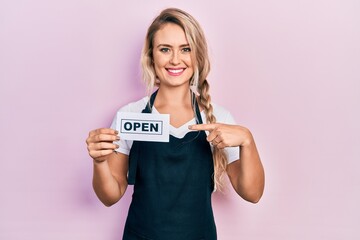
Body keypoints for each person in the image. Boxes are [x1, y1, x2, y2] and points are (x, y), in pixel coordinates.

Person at [86, 8, 265, 240]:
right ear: (151, 56)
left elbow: (252, 193)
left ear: (197, 55)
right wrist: (100, 162)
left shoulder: (218, 119)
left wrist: (247, 141)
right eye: (165, 49)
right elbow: (110, 196)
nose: (175, 59)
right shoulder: (130, 115)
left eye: (185, 49)